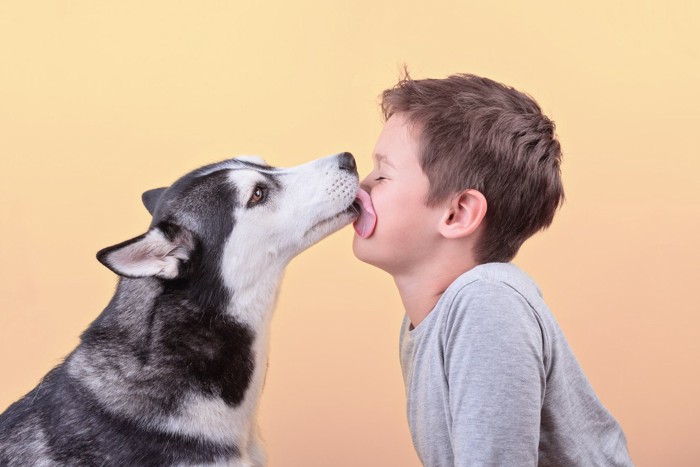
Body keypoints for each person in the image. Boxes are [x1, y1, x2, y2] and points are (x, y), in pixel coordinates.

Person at [351, 73, 633, 466]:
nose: (360, 186)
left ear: (458, 213)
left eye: (382, 173)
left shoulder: (486, 304)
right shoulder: (428, 320)